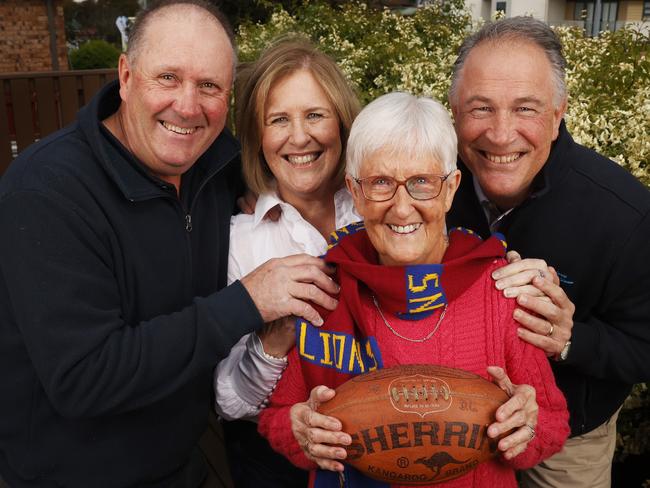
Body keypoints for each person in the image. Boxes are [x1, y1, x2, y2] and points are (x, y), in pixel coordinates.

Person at [0, 1, 339, 487]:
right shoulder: (48, 193)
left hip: (185, 462)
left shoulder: (214, 167)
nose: (187, 105)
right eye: (168, 77)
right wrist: (247, 301)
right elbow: (85, 376)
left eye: (209, 86)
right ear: (126, 74)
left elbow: (292, 161)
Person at [257, 92, 570, 487]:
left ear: (452, 188)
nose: (402, 208)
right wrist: (299, 431)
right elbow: (277, 415)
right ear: (355, 192)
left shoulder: (500, 288)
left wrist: (526, 426)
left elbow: (553, 426)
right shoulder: (324, 291)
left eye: (422, 182)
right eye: (381, 183)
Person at [446, 16, 650, 488]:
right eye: (481, 108)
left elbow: (644, 345)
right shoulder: (428, 186)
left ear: (558, 114)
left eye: (525, 109)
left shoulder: (625, 215)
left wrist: (570, 338)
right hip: (452, 420)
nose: (500, 134)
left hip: (566, 446)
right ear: (454, 111)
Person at [213, 37, 361, 488]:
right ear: (258, 139)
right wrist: (274, 339)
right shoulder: (241, 241)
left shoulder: (383, 207)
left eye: (315, 114)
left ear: (342, 121)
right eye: (279, 120)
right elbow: (228, 402)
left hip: (392, 448)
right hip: (278, 465)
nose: (300, 137)